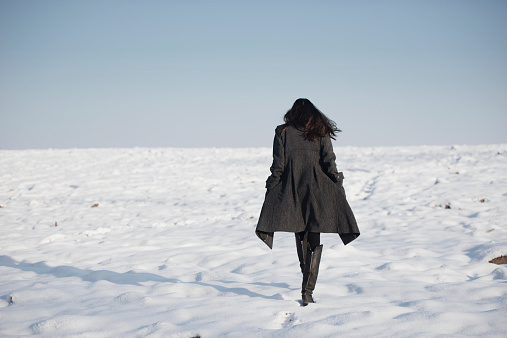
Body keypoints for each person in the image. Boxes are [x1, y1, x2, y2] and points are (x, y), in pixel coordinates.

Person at [255, 98, 360, 306]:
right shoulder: (320, 131)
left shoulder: (283, 132)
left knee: (299, 232)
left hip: (293, 190)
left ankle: (306, 284)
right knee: (313, 235)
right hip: (318, 189)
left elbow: (278, 164)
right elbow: (329, 161)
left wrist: (271, 186)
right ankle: (307, 291)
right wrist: (337, 181)